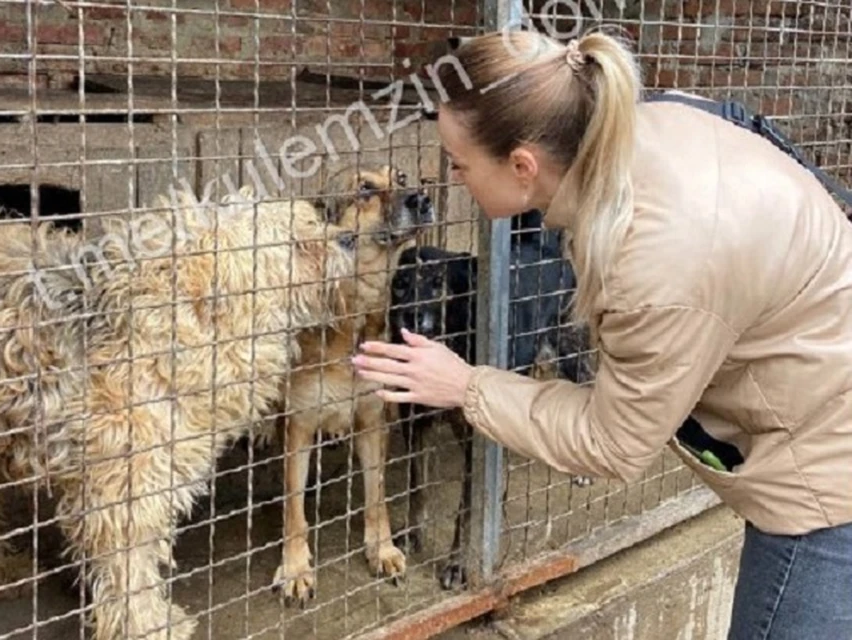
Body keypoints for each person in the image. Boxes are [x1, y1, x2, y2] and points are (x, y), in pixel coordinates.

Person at [350, 28, 852, 639]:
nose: (453, 180)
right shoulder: (632, 133)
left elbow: (614, 443)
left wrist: (465, 384)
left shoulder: (653, 260)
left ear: (522, 166)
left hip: (829, 472)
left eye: (458, 164)